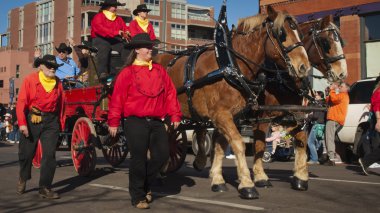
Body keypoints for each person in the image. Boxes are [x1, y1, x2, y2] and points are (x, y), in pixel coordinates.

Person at [108, 33, 182, 209]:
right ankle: (138, 196)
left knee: (163, 155)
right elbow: (117, 98)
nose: (151, 49)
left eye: (151, 46)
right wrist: (113, 121)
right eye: (147, 47)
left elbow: (170, 93)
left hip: (157, 121)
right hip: (135, 121)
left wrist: (175, 114)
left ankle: (146, 184)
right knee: (138, 159)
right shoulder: (127, 73)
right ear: (137, 50)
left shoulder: (160, 70)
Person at [16, 54, 64, 199]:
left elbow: (62, 104)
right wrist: (23, 123)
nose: (52, 69)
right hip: (33, 119)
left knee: (49, 155)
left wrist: (60, 124)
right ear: (41, 66)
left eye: (55, 67)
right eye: (50, 66)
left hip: (51, 121)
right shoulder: (30, 79)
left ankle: (45, 187)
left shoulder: (58, 82)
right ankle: (23, 177)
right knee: (26, 153)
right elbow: (21, 102)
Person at [91, 0, 130, 83]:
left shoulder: (118, 18)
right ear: (108, 7)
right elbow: (100, 29)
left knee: (125, 47)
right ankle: (102, 72)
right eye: (114, 6)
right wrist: (116, 32)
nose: (116, 8)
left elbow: (124, 27)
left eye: (116, 6)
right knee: (105, 46)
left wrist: (127, 32)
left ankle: (127, 70)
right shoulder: (99, 16)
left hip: (113, 39)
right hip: (99, 39)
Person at [321, 82, 350, 166]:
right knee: (332, 138)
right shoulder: (341, 95)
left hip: (334, 119)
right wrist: (328, 93)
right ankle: (333, 156)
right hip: (337, 119)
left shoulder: (343, 95)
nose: (340, 87)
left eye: (341, 86)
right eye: (340, 86)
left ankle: (331, 158)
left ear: (346, 89)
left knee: (329, 138)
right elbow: (329, 101)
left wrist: (332, 89)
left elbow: (333, 99)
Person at [358, 76, 380, 175]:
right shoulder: (378, 92)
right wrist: (379, 120)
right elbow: (377, 107)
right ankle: (365, 161)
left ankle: (365, 161)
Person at [307, 91, 327, 165]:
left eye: (316, 95)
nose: (315, 97)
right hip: (322, 124)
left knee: (310, 142)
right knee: (318, 142)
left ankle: (314, 159)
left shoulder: (319, 104)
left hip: (316, 124)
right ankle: (319, 158)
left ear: (320, 96)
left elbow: (316, 116)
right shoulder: (323, 104)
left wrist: (309, 116)